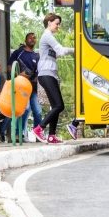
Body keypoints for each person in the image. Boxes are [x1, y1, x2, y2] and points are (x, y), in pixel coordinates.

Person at [33, 13, 79, 143]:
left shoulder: (49, 37)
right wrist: (77, 49)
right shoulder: (47, 36)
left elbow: (55, 54)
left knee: (55, 106)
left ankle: (51, 135)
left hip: (50, 74)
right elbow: (61, 51)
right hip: (46, 74)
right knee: (59, 105)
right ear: (49, 22)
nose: (58, 26)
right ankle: (39, 128)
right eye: (56, 23)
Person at [8, 32, 40, 139]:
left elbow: (38, 73)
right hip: (21, 87)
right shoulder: (18, 53)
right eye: (30, 38)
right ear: (26, 40)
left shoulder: (37, 56)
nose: (32, 39)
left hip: (33, 88)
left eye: (34, 38)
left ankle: (37, 134)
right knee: (24, 110)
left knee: (38, 112)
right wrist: (18, 74)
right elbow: (9, 67)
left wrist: (34, 77)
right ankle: (18, 134)